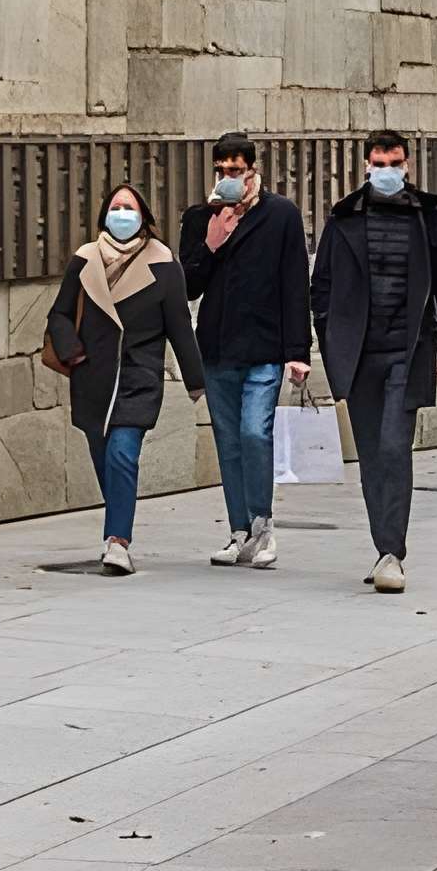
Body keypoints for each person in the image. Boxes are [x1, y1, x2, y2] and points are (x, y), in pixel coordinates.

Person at [310, 130, 437, 594]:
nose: (385, 170)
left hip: (409, 351)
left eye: (393, 162)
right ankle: (383, 546)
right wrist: (330, 338)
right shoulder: (344, 220)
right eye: (378, 162)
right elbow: (321, 288)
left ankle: (392, 553)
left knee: (396, 448)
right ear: (365, 166)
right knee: (372, 456)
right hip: (359, 357)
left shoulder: (429, 220)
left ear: (407, 165)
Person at [42, 184, 205, 576]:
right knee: (104, 457)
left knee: (122, 452)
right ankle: (117, 528)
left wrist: (196, 379)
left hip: (138, 375)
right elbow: (59, 314)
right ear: (104, 214)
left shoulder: (163, 264)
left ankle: (117, 541)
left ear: (143, 215)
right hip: (93, 375)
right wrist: (72, 351)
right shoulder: (85, 260)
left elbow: (180, 326)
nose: (121, 214)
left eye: (129, 207)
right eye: (115, 207)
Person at [178, 131, 311, 570]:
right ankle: (239, 531)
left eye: (236, 170)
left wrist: (298, 350)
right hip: (216, 349)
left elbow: (295, 284)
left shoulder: (280, 216)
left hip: (265, 349)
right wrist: (211, 243)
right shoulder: (201, 217)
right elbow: (188, 286)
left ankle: (263, 525)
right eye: (221, 170)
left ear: (253, 170)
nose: (228, 177)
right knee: (228, 442)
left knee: (256, 433)